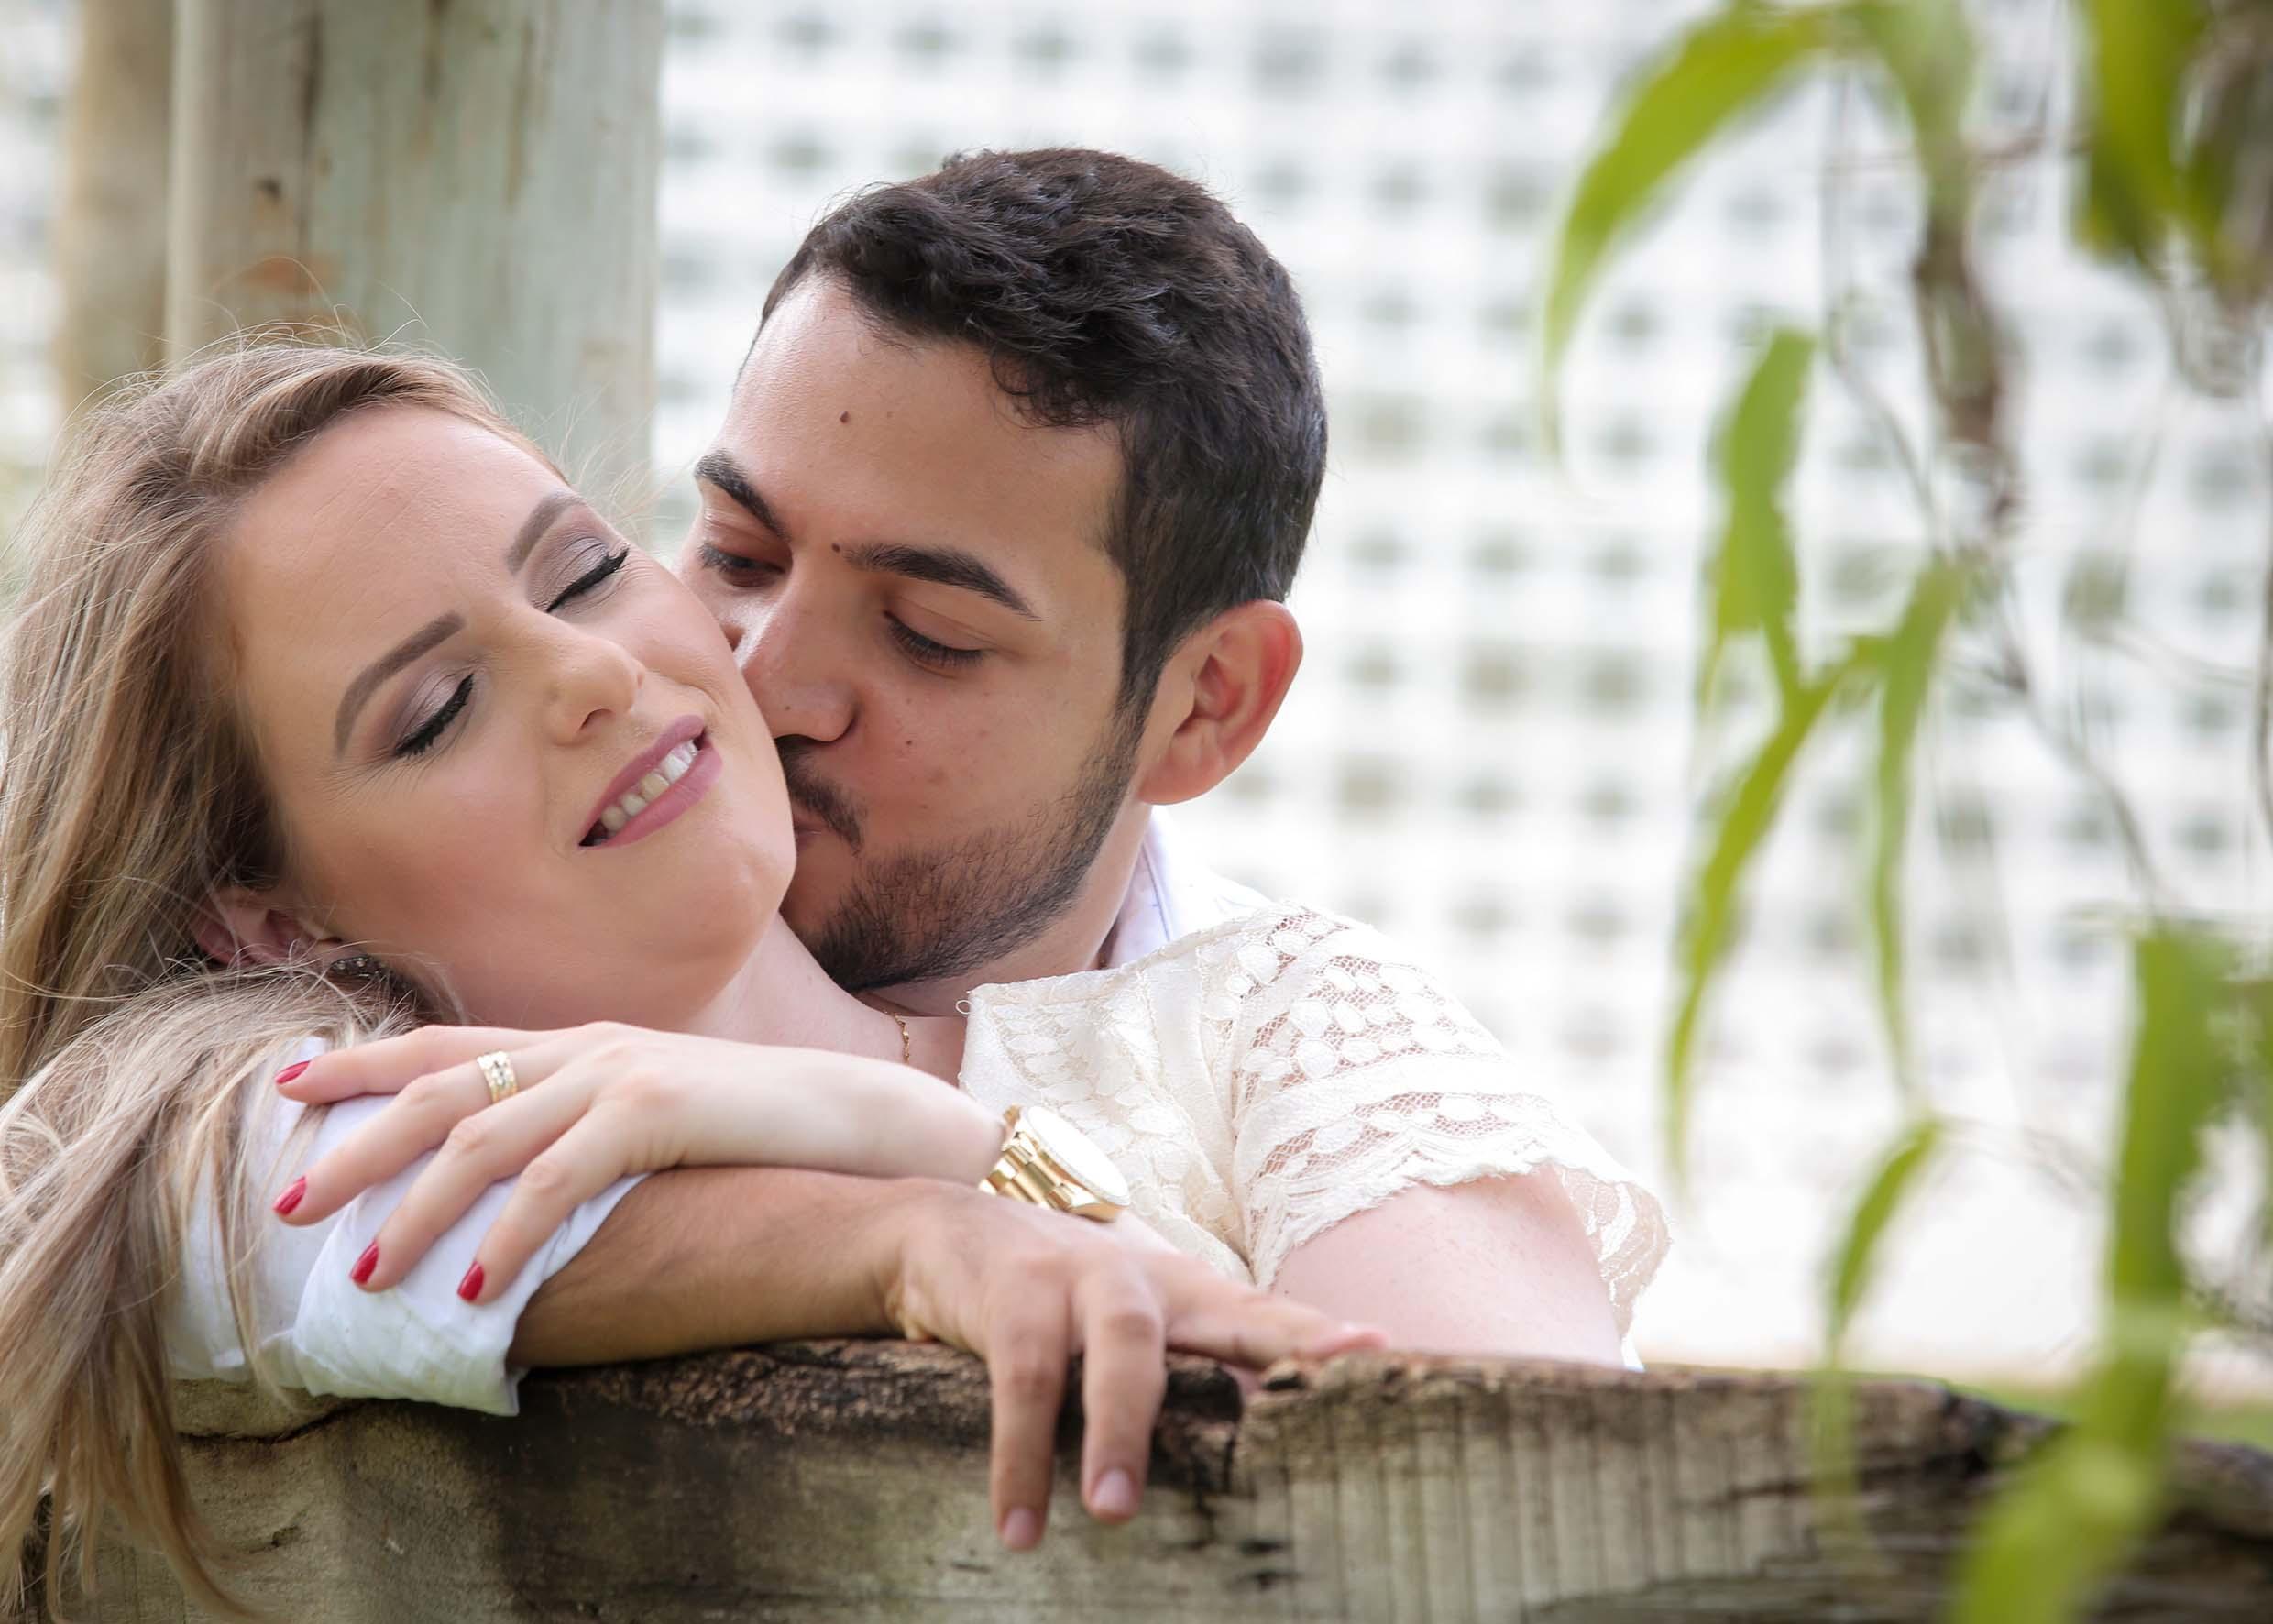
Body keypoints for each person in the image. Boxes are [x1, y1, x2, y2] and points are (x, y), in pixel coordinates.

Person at [0, 149, 1664, 1608]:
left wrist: (914, 1137)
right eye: (731, 552)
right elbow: (143, 1194)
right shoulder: (260, 1150)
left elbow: (1537, 1535)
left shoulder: (1290, 1037)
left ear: (1205, 703)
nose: (756, 674)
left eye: (932, 634)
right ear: (264, 916)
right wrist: (911, 1201)